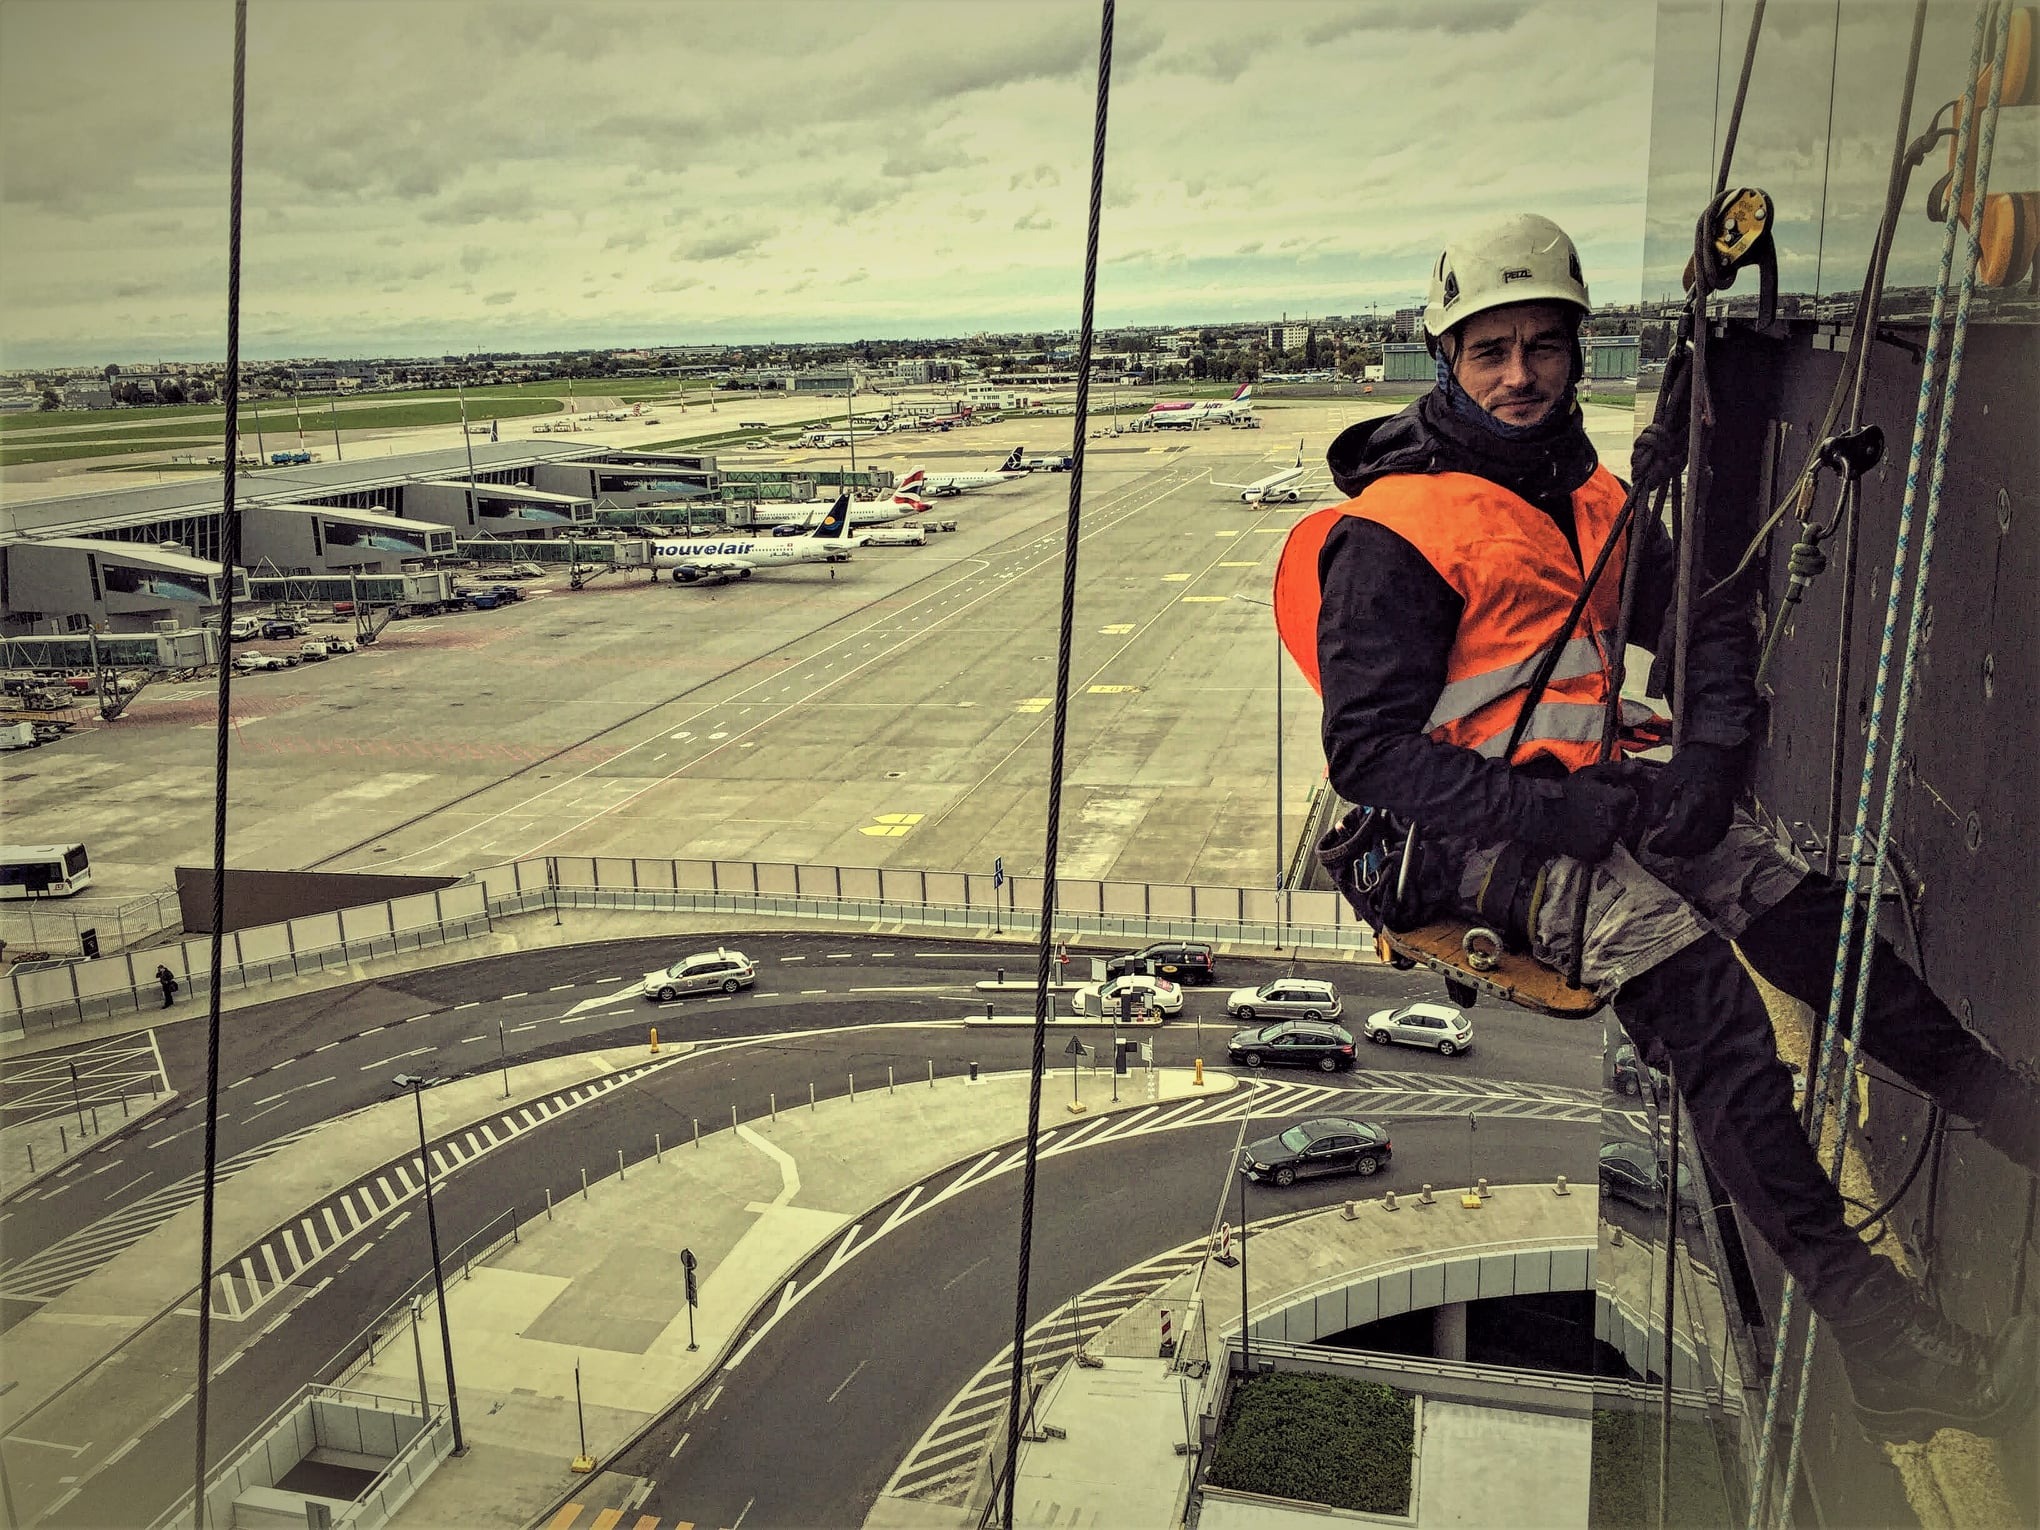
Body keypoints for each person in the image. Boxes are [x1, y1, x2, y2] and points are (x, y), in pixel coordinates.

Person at [1276, 213, 2037, 1442]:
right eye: (1489, 352)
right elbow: (1369, 755)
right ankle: (1883, 1336)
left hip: (1602, 787)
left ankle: (2004, 1107)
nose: (1518, 375)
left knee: (1807, 921)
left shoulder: (1591, 497)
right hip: (1468, 833)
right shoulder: (1397, 532)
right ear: (1448, 362)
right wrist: (1558, 811)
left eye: (1541, 346)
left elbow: (1706, 623)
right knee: (1711, 1011)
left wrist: (1710, 759)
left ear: (1578, 352)